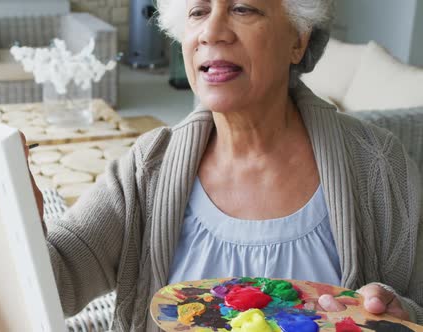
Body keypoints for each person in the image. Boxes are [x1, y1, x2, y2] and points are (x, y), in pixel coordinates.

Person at [28, 0, 423, 330]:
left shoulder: (378, 166)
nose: (212, 31)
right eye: (198, 11)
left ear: (298, 41)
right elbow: (54, 280)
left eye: (242, 8)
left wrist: (402, 316)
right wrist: (17, 221)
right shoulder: (146, 168)